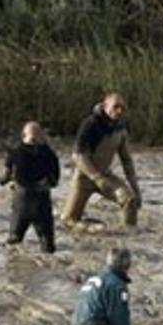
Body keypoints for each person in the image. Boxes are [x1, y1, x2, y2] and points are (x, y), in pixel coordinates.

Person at [61, 93, 142, 229]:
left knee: (129, 200)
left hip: (106, 174)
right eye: (115, 107)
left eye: (122, 108)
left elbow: (126, 160)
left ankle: (129, 234)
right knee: (69, 222)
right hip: (84, 177)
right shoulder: (90, 124)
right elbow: (78, 155)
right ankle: (92, 227)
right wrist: (96, 178)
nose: (119, 111)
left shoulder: (121, 127)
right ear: (105, 106)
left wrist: (135, 187)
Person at [0, 121, 60, 253]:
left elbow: (5, 178)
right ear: (42, 137)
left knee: (13, 244)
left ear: (23, 136)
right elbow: (55, 181)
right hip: (42, 203)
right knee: (48, 247)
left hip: (22, 203)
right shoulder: (50, 155)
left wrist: (3, 180)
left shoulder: (15, 153)